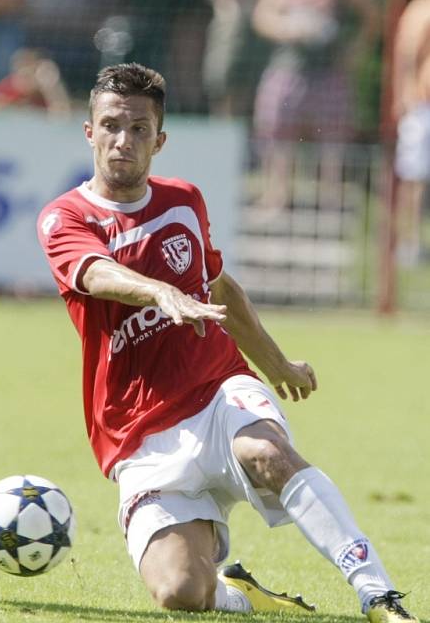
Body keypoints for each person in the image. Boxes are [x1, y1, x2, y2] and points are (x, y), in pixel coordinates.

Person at [36, 62, 417, 622]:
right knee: (180, 593)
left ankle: (377, 593)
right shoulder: (64, 216)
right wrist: (159, 293)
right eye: (112, 125)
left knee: (266, 453)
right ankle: (239, 593)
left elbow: (221, 289)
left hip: (217, 391)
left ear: (159, 140)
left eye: (139, 129)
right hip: (136, 433)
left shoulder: (184, 201)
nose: (124, 140)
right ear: (89, 132)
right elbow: (94, 273)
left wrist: (276, 362)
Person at [252, 0, 380, 210]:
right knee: (276, 132)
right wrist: (287, 29)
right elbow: (262, 17)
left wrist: (356, 51)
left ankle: (330, 200)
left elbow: (372, 13)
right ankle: (276, 196)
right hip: (287, 68)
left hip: (330, 71)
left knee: (333, 138)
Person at [392, 0, 430, 266]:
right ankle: (409, 241)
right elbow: (406, 54)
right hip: (422, 103)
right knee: (413, 176)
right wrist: (404, 95)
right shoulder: (422, 8)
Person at [0, 48, 71, 115]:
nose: (24, 77)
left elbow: (61, 111)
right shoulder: (9, 88)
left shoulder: (43, 92)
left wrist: (51, 83)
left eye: (28, 72)